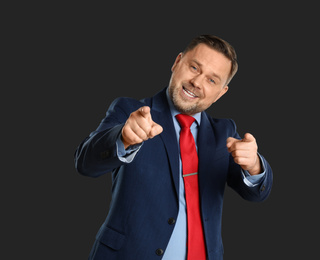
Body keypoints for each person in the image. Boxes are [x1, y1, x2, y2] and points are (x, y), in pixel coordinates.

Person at [74, 34, 273, 260]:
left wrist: (255, 165)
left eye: (212, 80)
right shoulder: (130, 110)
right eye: (194, 67)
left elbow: (257, 194)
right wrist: (123, 139)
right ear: (177, 62)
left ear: (221, 93)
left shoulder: (224, 132)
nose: (197, 82)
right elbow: (85, 163)